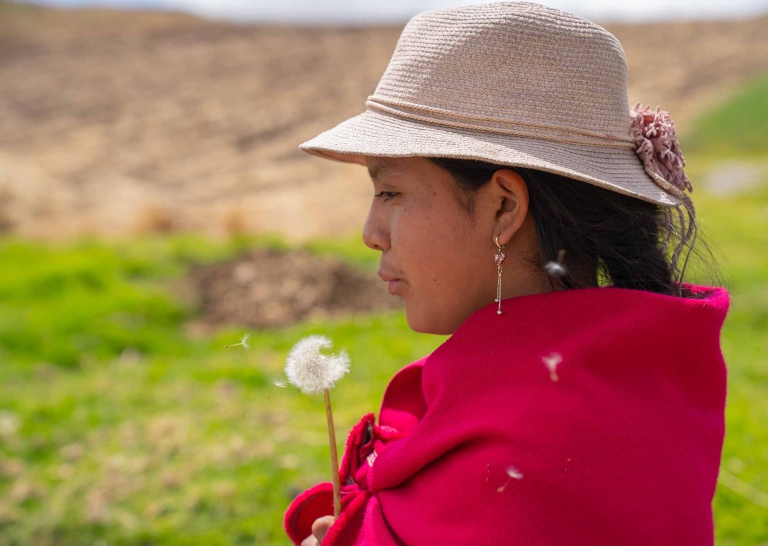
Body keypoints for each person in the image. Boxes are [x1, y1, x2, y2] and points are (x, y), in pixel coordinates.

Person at [284, 2, 730, 545]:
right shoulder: (643, 382)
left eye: (391, 192)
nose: (371, 233)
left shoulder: (511, 459)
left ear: (503, 208)